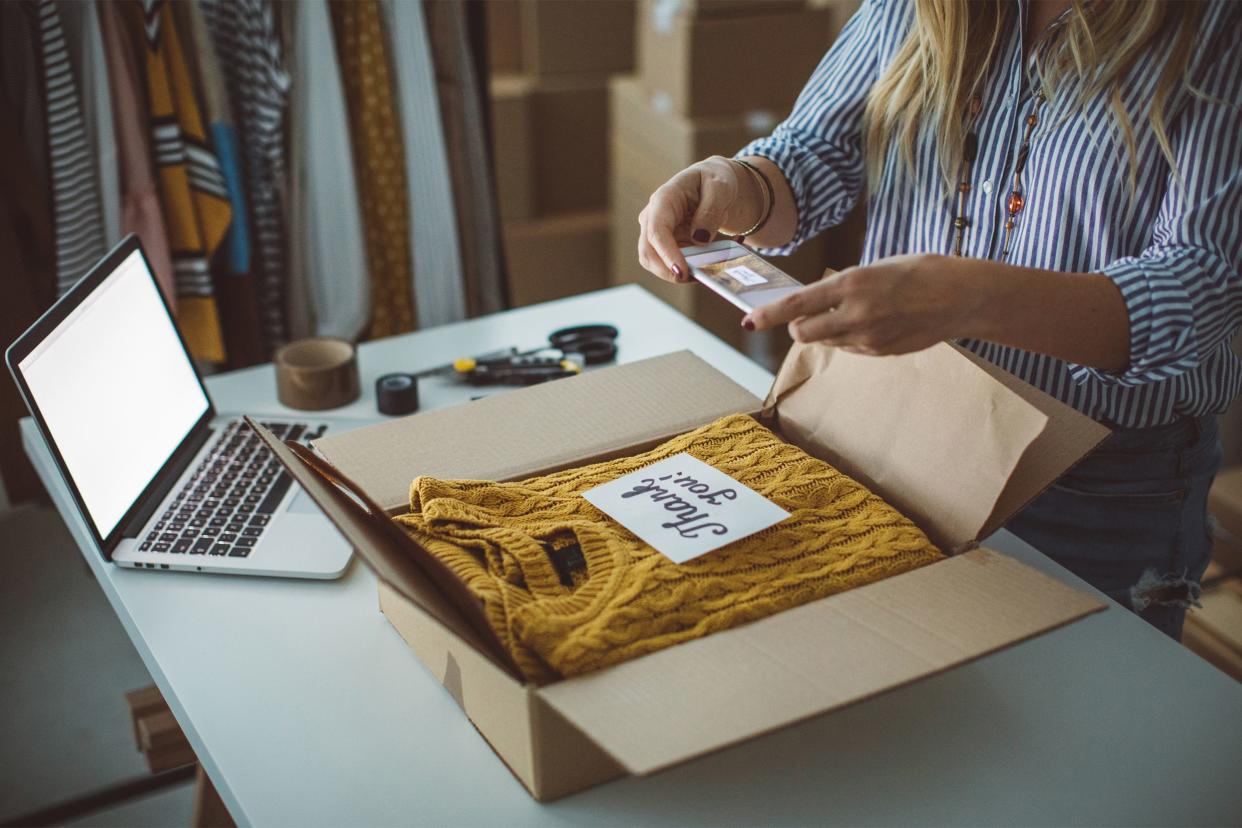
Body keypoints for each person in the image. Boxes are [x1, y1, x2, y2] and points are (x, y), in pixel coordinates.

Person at [636, 0, 1241, 639]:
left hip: (1096, 487)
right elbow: (815, 153)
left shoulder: (1214, 26)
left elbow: (1197, 290)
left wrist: (971, 299)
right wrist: (735, 183)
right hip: (898, 431)